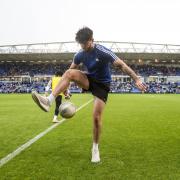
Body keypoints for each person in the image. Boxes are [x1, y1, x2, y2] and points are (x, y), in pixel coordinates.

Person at [32, 27, 147, 163]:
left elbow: (121, 65)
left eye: (85, 44)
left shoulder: (103, 52)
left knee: (96, 118)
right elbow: (70, 72)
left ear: (92, 40)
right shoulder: (80, 54)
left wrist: (137, 79)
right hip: (89, 79)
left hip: (103, 85)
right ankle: (48, 101)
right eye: (80, 44)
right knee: (69, 72)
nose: (83, 47)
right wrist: (65, 89)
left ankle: (95, 149)